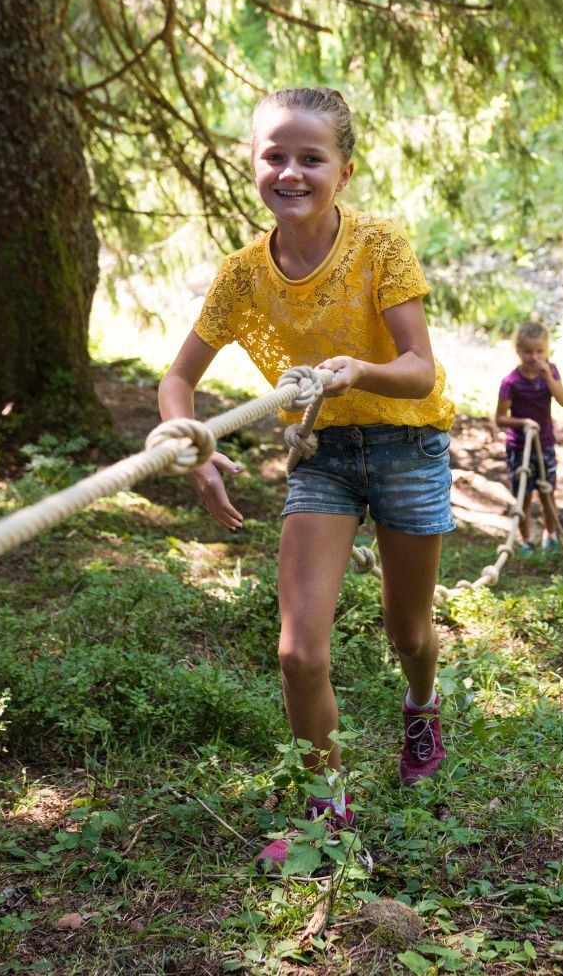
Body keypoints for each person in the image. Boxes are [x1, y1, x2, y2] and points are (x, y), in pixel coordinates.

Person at [158, 87, 455, 872]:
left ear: (343, 171)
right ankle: (328, 819)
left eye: (310, 158)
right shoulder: (240, 275)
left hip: (406, 446)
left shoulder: (380, 244)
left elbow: (420, 372)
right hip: (320, 457)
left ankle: (421, 705)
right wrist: (194, 446)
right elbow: (177, 381)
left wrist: (359, 370)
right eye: (273, 155)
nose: (290, 171)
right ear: (252, 164)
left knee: (409, 633)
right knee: (297, 653)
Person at [492, 322, 563, 553]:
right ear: (518, 351)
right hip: (519, 448)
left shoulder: (551, 372)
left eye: (539, 351)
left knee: (547, 492)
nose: (534, 357)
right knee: (523, 495)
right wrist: (523, 423)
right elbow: (500, 419)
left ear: (547, 351)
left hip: (544, 443)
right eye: (528, 351)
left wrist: (548, 376)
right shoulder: (511, 382)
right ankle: (526, 541)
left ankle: (550, 535)